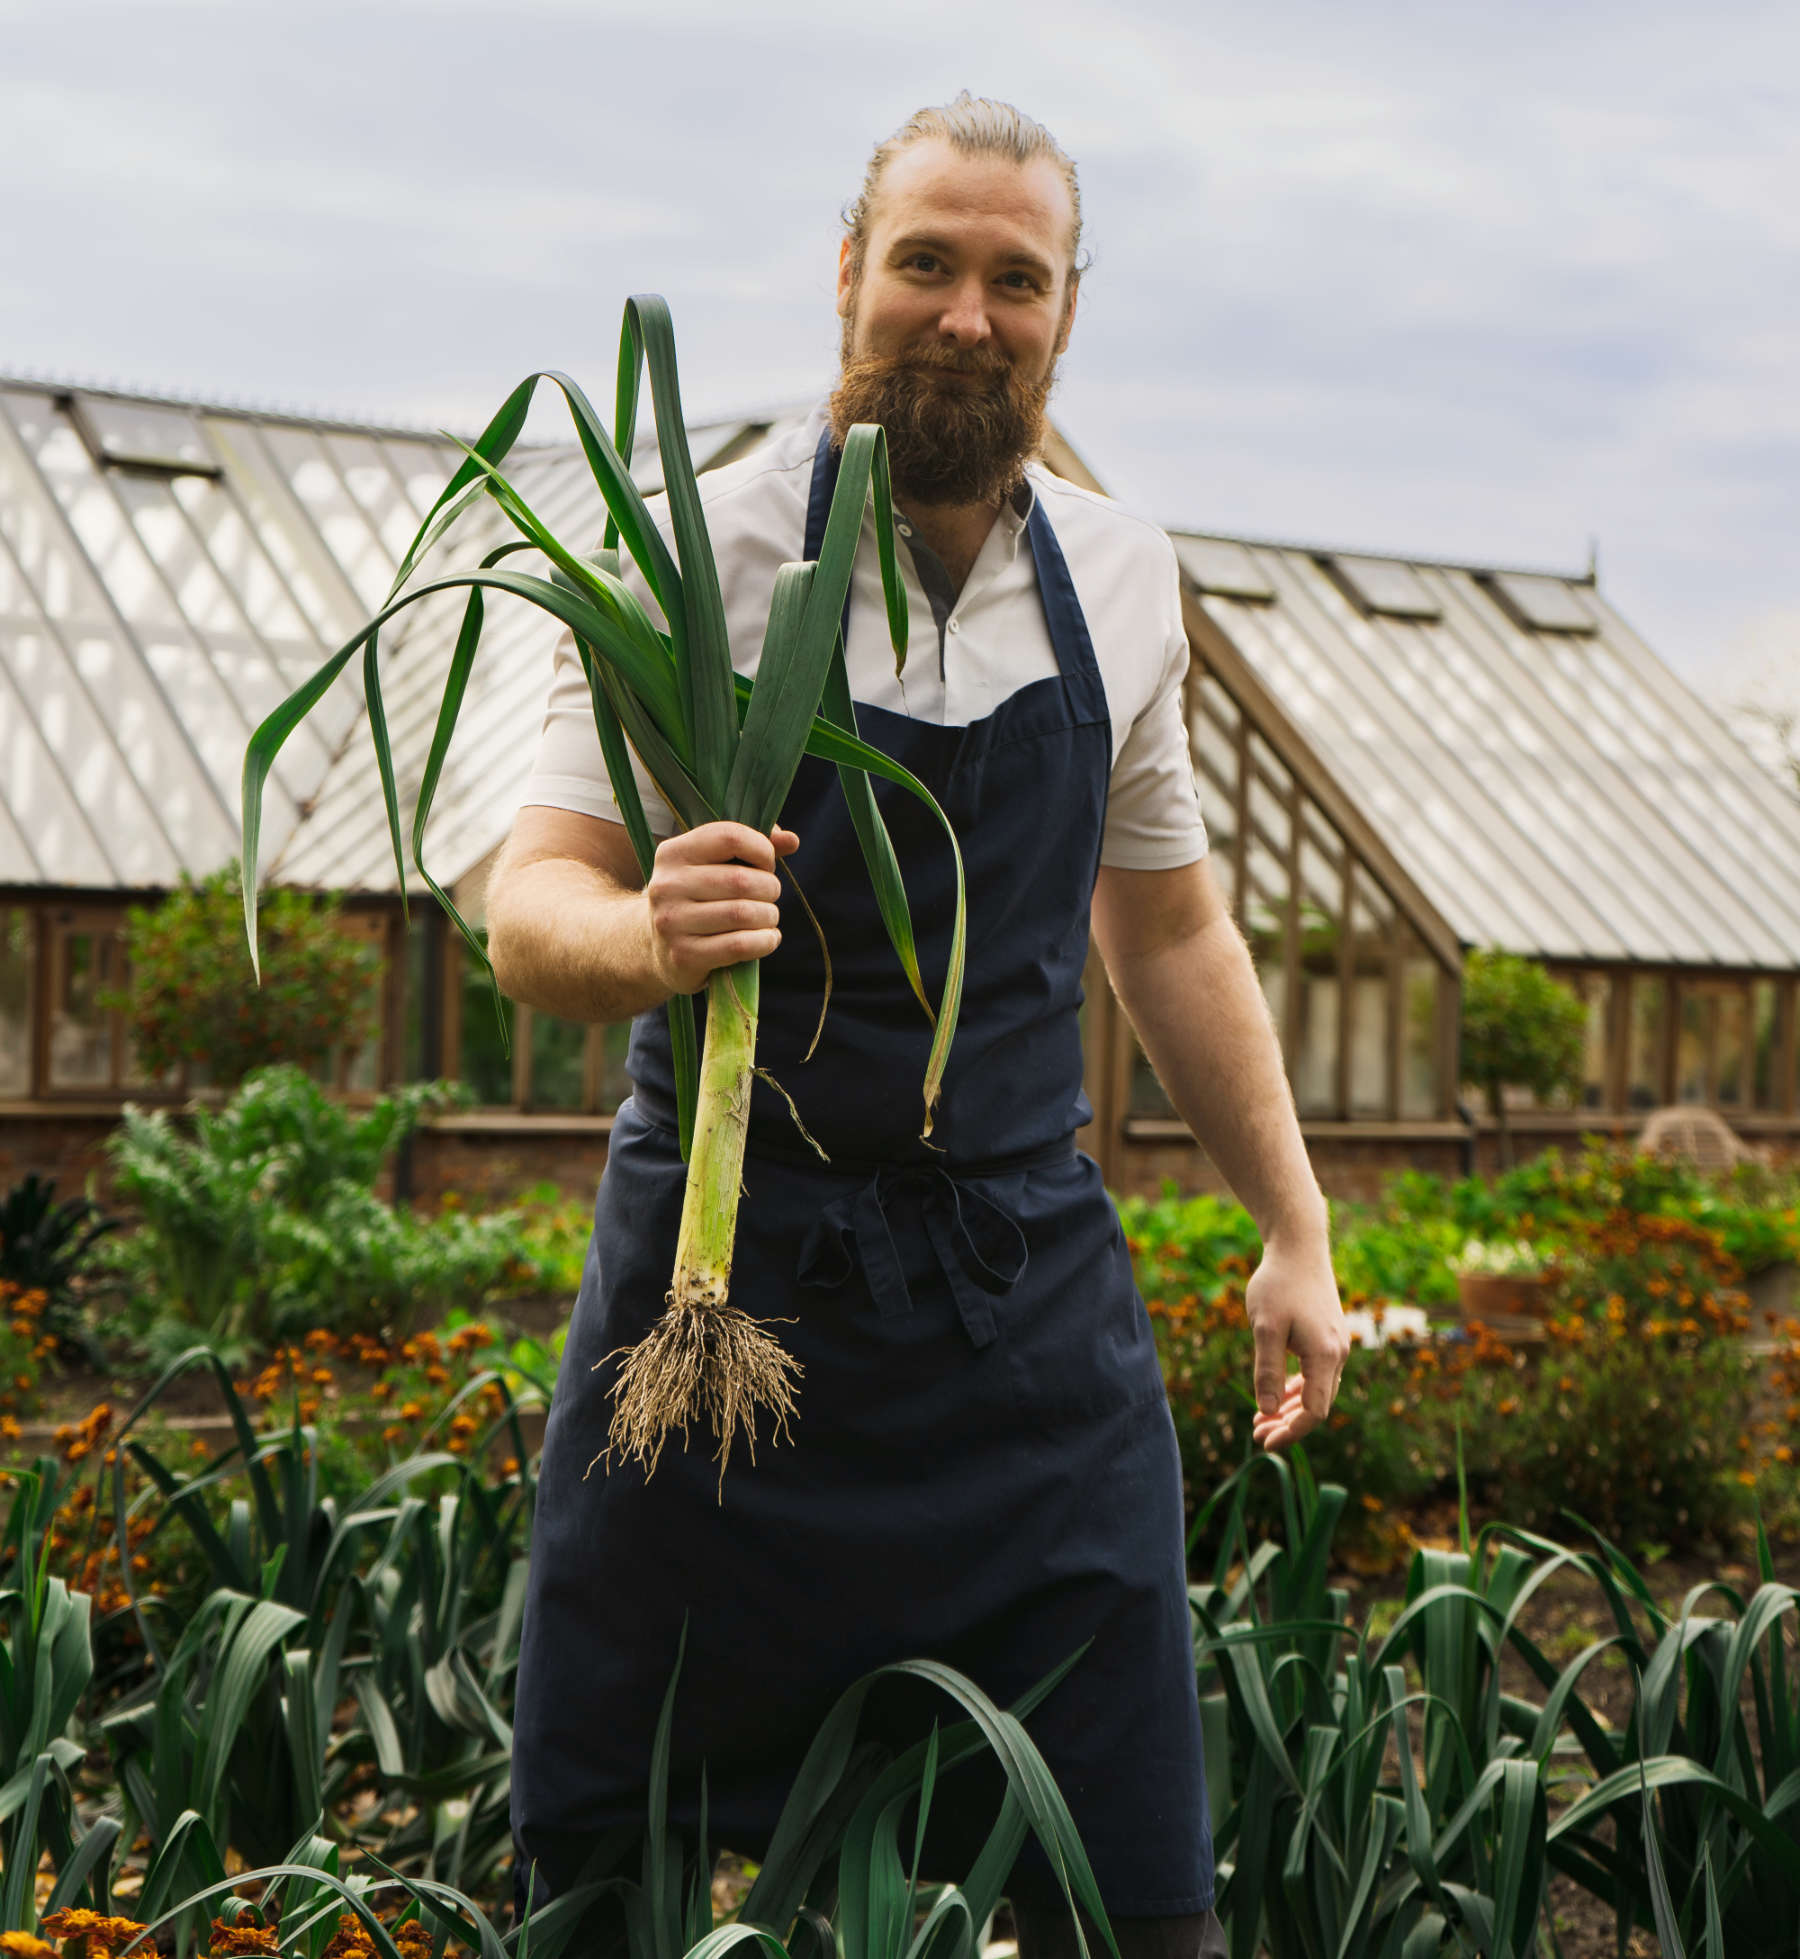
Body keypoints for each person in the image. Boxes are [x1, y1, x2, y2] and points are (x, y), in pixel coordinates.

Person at [495, 93, 1349, 1959]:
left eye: (1017, 279)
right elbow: (524, 907)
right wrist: (643, 934)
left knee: (1137, 1899)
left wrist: (1297, 1225)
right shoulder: (691, 550)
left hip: (1016, 1301)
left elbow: (1175, 927)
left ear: (1064, 317)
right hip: (718, 1303)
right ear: (847, 282)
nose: (969, 314)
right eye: (927, 264)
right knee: (608, 1869)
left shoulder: (1127, 578)